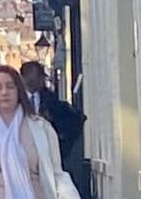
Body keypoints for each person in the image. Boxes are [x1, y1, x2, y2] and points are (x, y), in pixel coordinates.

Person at [0, 65, 81, 199]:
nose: (4, 92)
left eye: (10, 87)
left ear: (19, 91)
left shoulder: (42, 129)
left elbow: (57, 174)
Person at [20, 62, 91, 198]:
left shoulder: (51, 98)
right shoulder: (17, 99)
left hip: (48, 152)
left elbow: (69, 121)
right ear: (27, 77)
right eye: (39, 77)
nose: (43, 81)